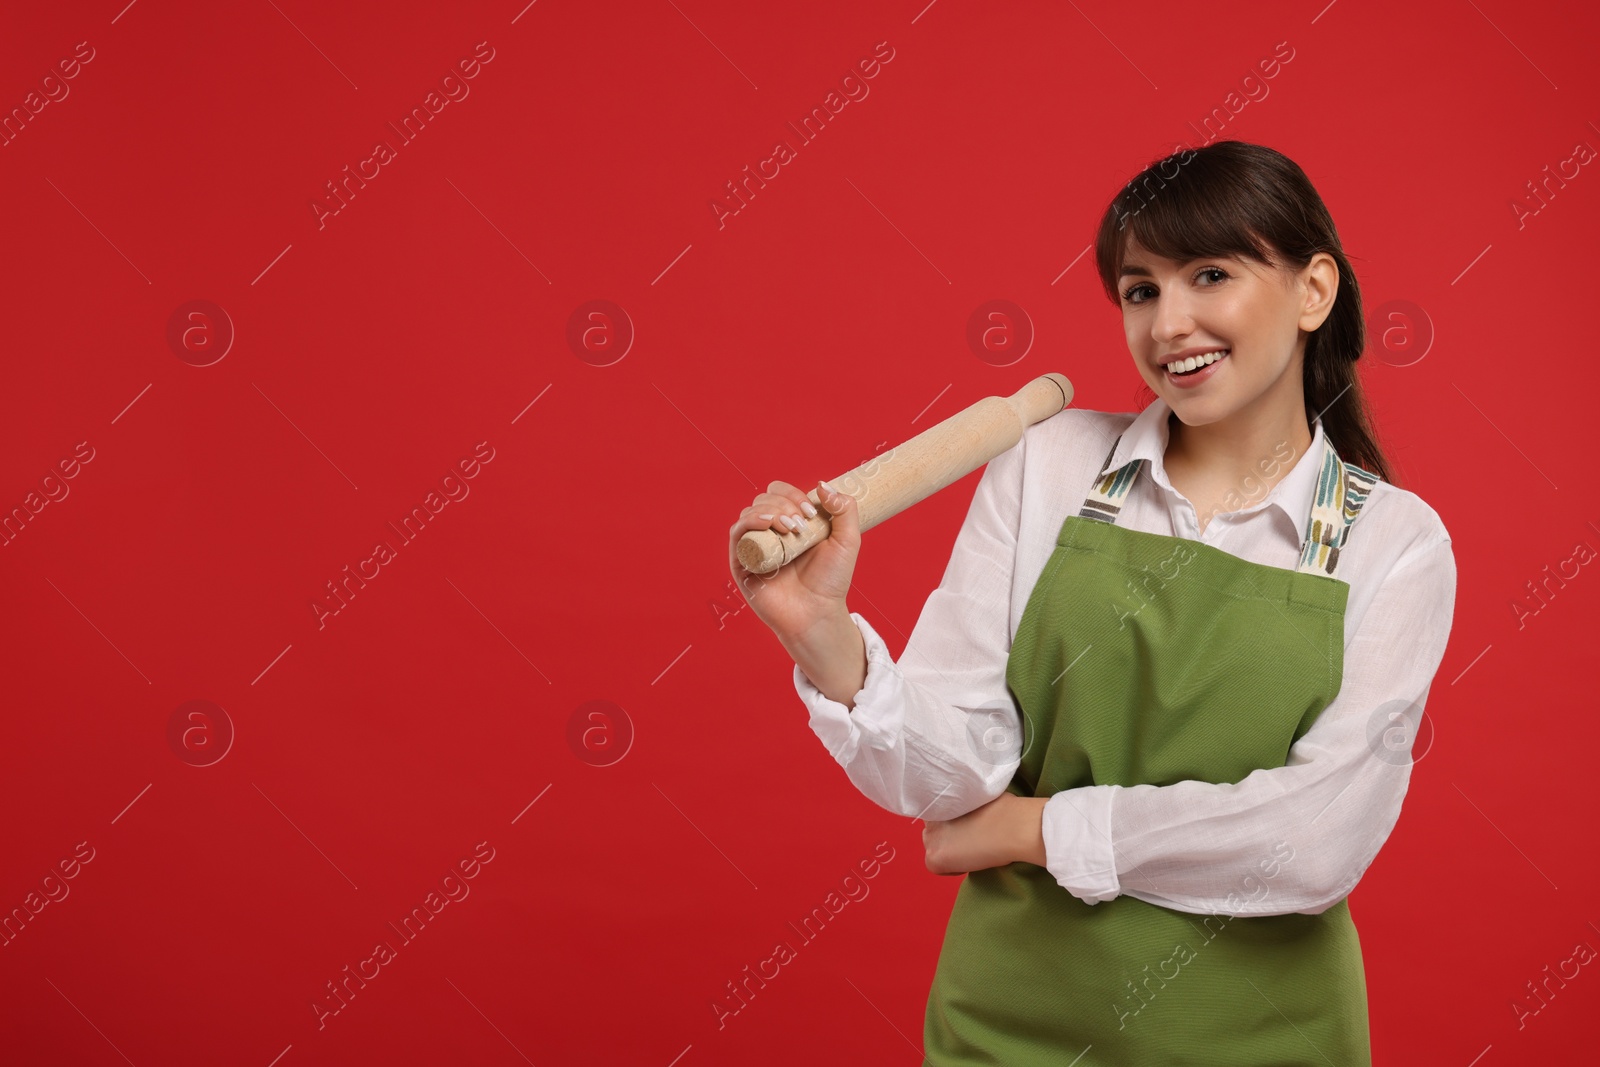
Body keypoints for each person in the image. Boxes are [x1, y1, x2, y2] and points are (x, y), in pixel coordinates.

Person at [726, 139, 1457, 1065]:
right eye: (1141, 289)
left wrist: (1032, 828)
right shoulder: (1048, 461)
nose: (1168, 324)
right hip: (1006, 1023)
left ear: (1314, 290)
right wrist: (823, 633)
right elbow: (951, 775)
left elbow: (1313, 840)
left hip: (1263, 1039)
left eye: (1210, 274)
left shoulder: (1394, 542)